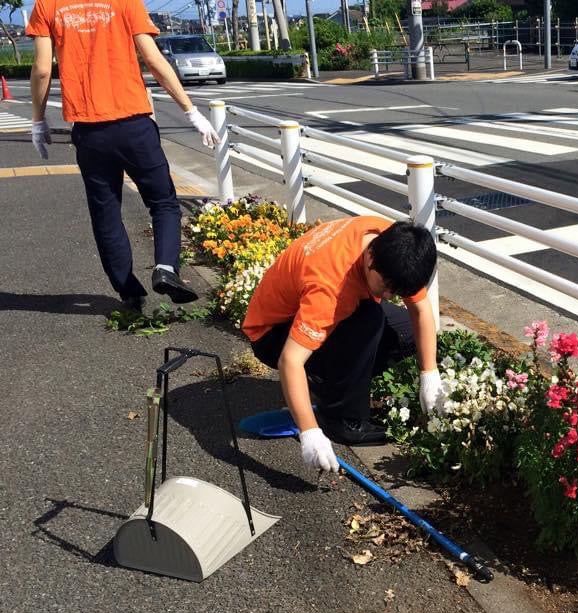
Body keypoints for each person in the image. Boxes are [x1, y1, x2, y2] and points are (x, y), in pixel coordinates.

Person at [27, 0, 220, 310]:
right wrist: (190, 110)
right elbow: (153, 59)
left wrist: (38, 120)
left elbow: (42, 68)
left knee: (106, 212)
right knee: (163, 202)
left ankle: (129, 291)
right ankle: (166, 269)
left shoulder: (46, 5)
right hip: (135, 125)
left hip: (89, 131)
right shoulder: (126, 2)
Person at [242, 217, 444, 473]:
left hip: (307, 313)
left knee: (405, 334)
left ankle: (333, 388)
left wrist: (429, 374)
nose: (390, 296)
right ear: (370, 259)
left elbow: (421, 309)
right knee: (369, 320)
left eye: (397, 292)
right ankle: (343, 421)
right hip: (271, 335)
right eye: (386, 288)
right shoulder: (330, 288)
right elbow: (290, 361)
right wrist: (309, 432)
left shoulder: (392, 241)